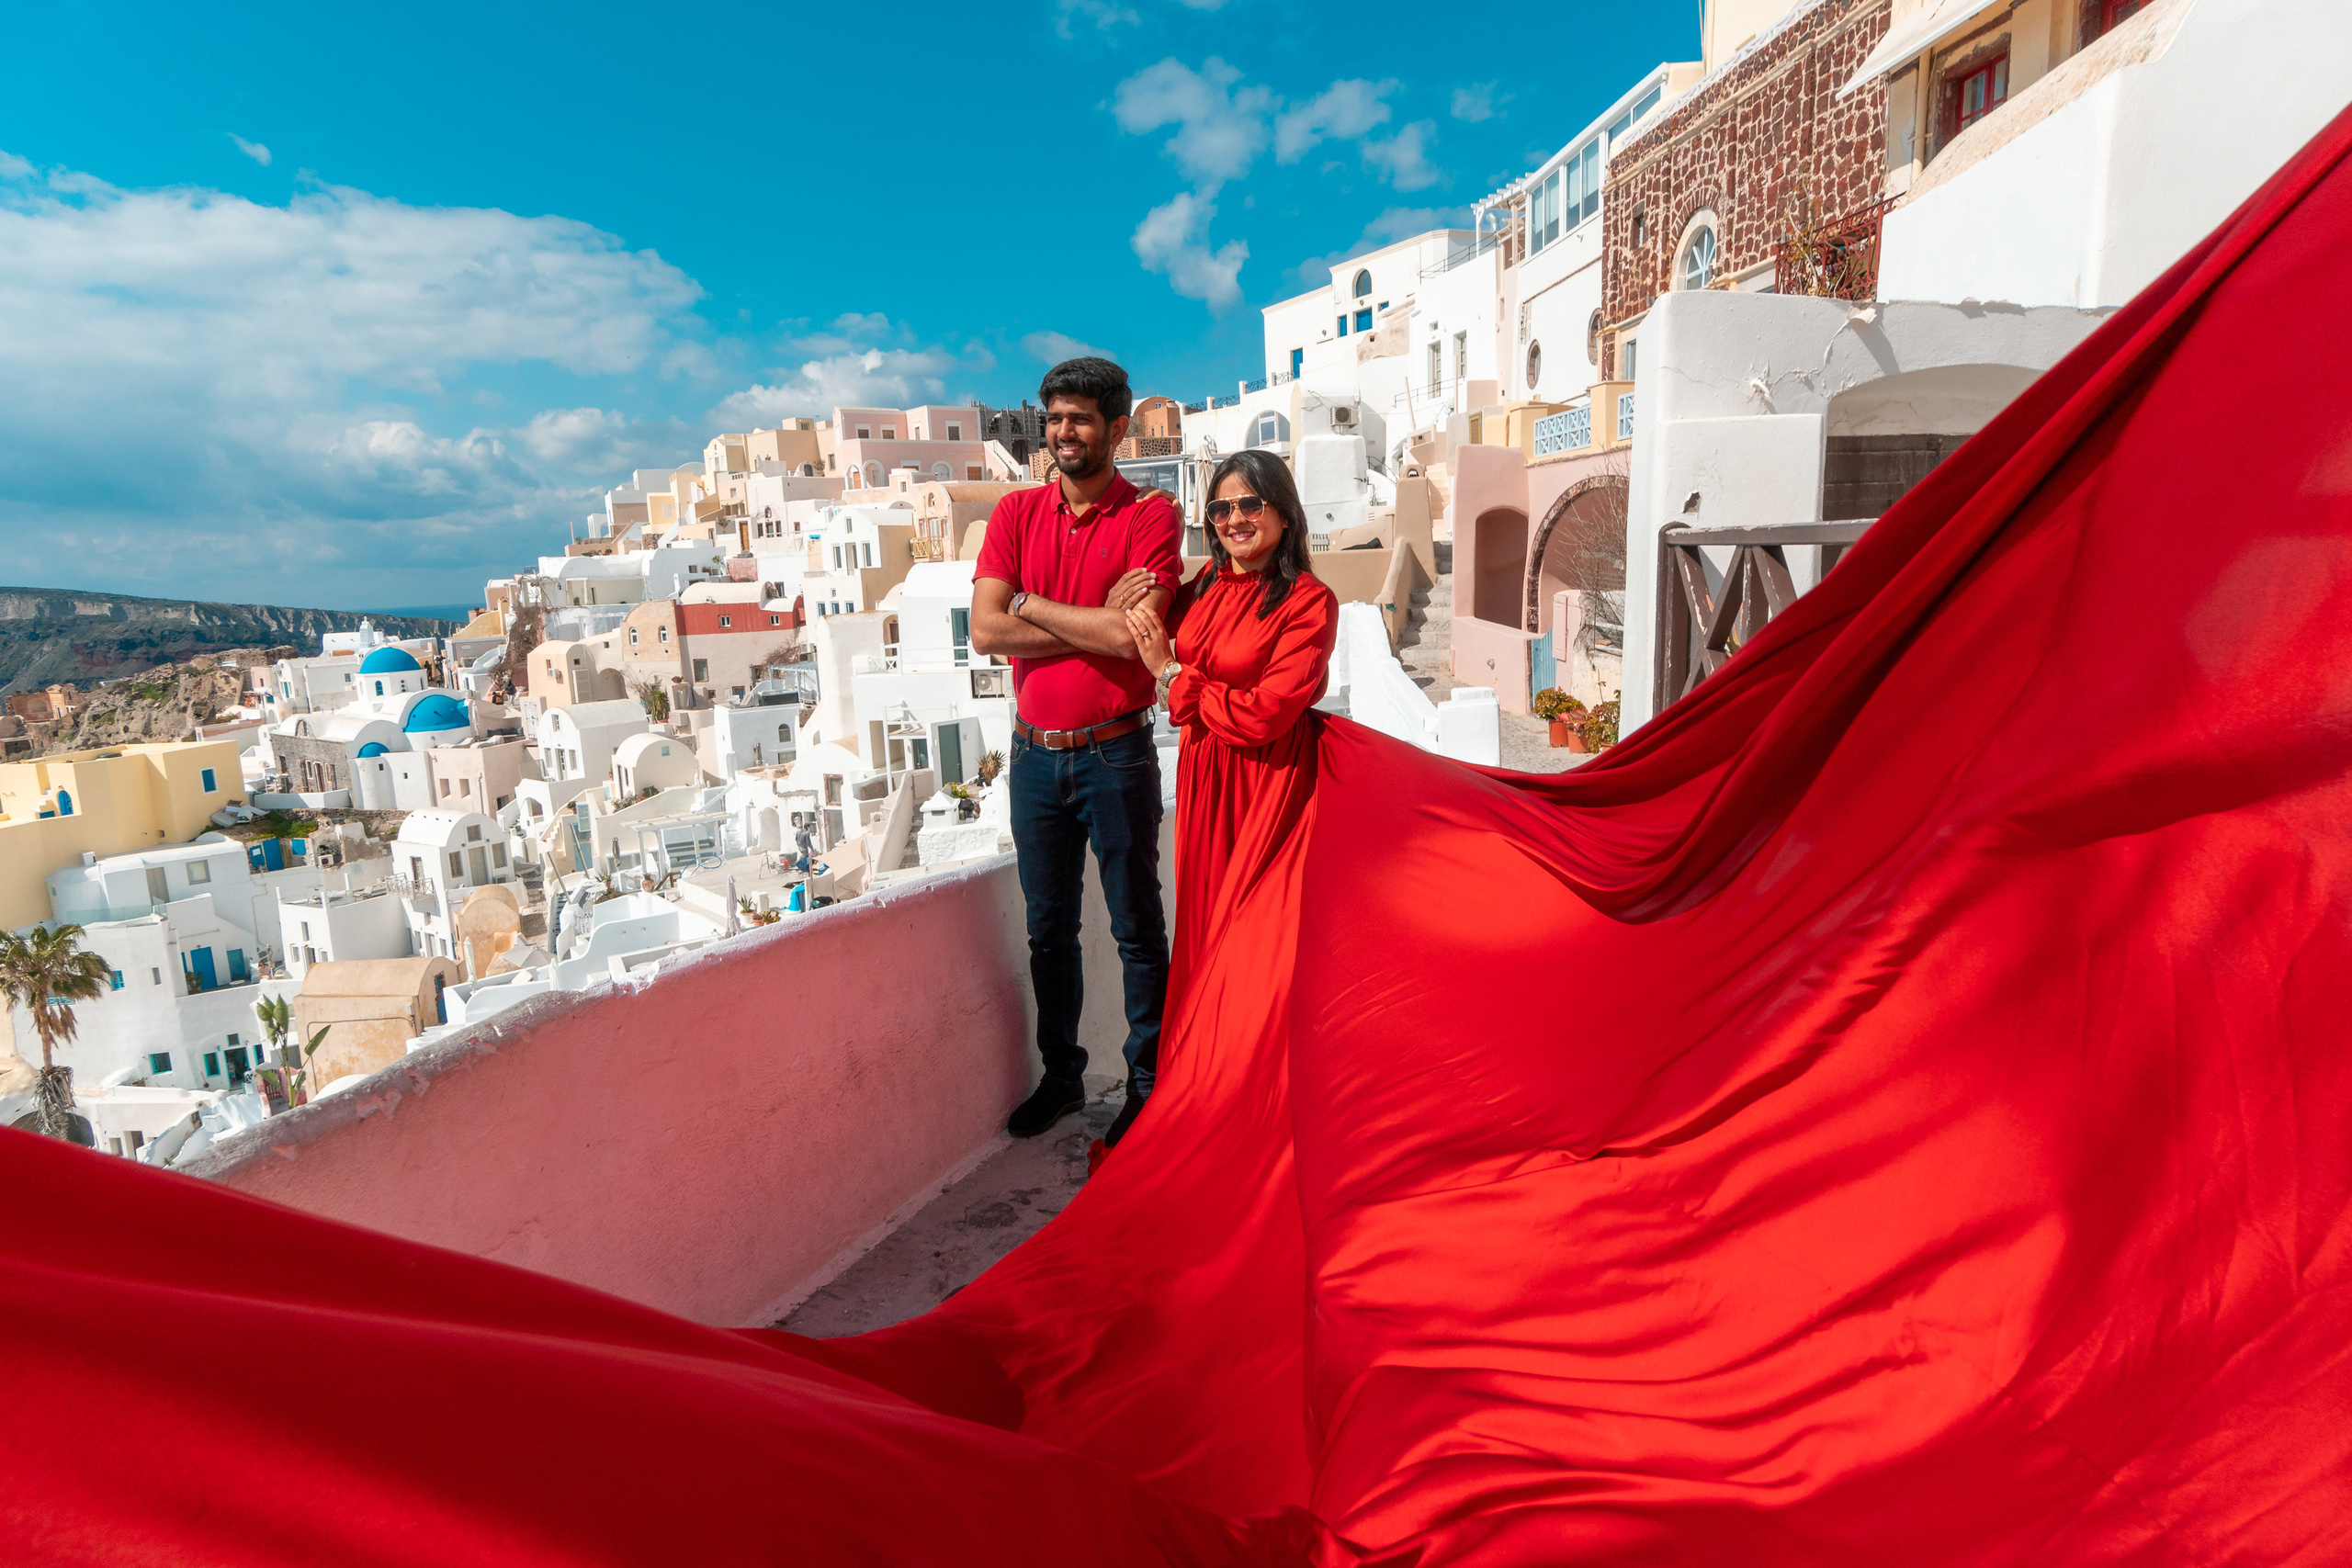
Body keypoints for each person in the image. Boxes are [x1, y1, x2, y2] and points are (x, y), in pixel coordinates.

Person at [970, 357, 1180, 1140]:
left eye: (1080, 418)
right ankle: (1061, 1077)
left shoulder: (1150, 517)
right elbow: (987, 629)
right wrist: (1090, 617)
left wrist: (1029, 602)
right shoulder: (1015, 513)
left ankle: (1148, 1088)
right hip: (1032, 759)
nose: (1063, 431)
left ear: (1116, 427)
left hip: (1115, 754)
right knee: (1048, 930)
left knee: (1136, 927)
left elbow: (1135, 639)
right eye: (1054, 417)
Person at [1118, 447, 1336, 1150]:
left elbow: (1267, 713)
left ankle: (1263, 1115)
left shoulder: (1308, 601)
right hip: (1205, 781)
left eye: (1249, 503)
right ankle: (1209, 1098)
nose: (1235, 518)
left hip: (1266, 787)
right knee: (1208, 937)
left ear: (1283, 511)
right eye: (1220, 507)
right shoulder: (1204, 585)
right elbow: (1147, 626)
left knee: (1256, 951)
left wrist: (1173, 679)